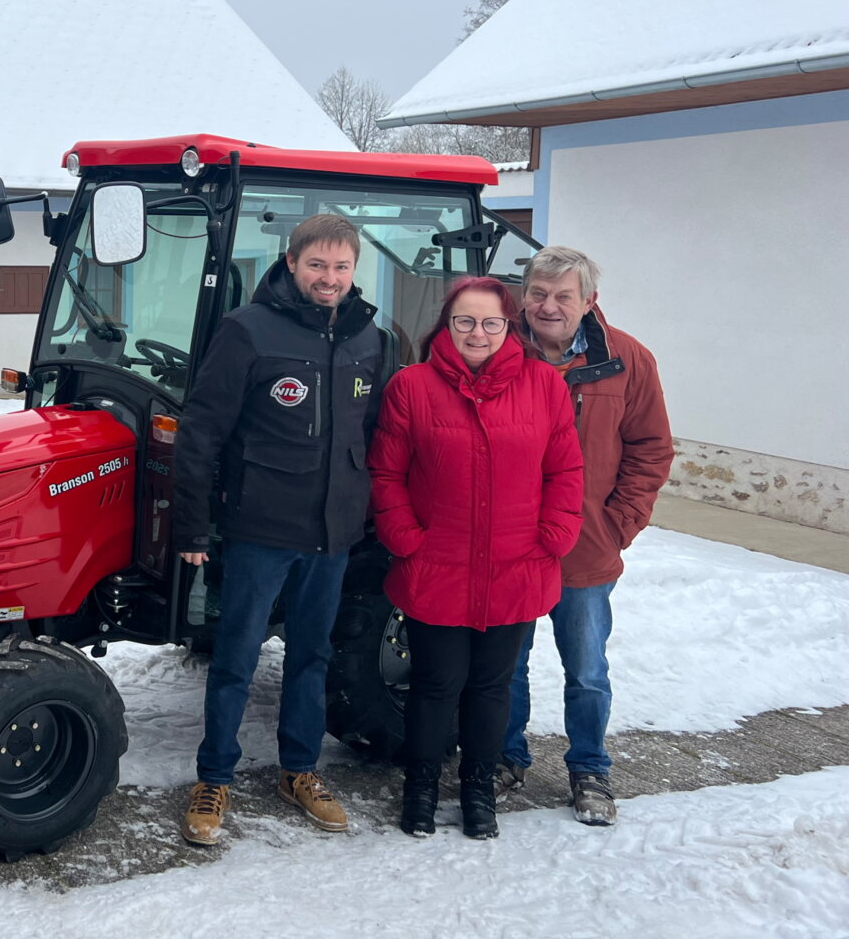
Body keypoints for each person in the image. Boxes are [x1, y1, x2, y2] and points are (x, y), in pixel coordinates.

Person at [172, 214, 389, 846]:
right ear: (291, 263)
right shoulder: (248, 331)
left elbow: (373, 434)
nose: (330, 278)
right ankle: (214, 778)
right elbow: (201, 432)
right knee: (237, 658)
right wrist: (193, 525)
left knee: (312, 656)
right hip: (261, 531)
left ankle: (300, 771)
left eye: (341, 267)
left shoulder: (367, 337)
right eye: (317, 265)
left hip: (333, 535)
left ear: (354, 271)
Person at [368, 276, 583, 839]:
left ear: (509, 326)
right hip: (436, 563)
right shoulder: (411, 386)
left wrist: (557, 529)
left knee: (492, 687)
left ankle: (478, 788)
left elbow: (565, 469)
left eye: (491, 322)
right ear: (447, 325)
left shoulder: (543, 385)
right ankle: (420, 786)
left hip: (517, 564)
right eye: (465, 321)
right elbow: (387, 472)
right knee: (436, 685)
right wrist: (404, 533)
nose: (478, 333)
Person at [497, 246, 673, 826]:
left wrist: (620, 521)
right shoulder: (498, 349)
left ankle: (590, 769)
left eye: (563, 296)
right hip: (512, 545)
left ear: (588, 300)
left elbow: (651, 448)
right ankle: (505, 759)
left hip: (587, 544)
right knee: (506, 663)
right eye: (539, 294)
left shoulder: (628, 359)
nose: (548, 306)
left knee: (588, 669)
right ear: (525, 295)